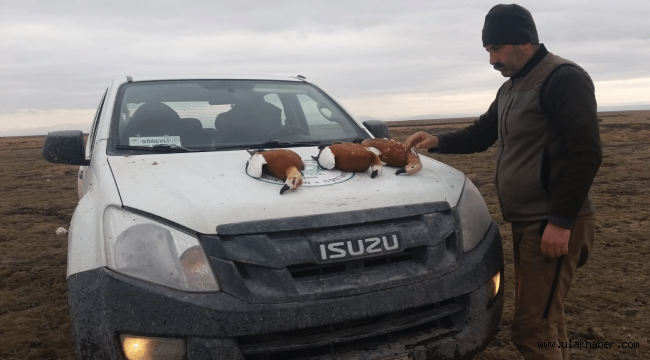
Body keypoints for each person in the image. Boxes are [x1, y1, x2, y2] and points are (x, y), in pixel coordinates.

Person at [404, 4, 602, 360]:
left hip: (551, 221)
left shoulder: (563, 78)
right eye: (488, 51)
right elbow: (482, 134)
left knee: (532, 328)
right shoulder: (512, 87)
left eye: (496, 49)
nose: (492, 60)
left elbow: (585, 154)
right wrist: (437, 140)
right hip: (528, 220)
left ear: (524, 42)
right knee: (546, 318)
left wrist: (560, 222)